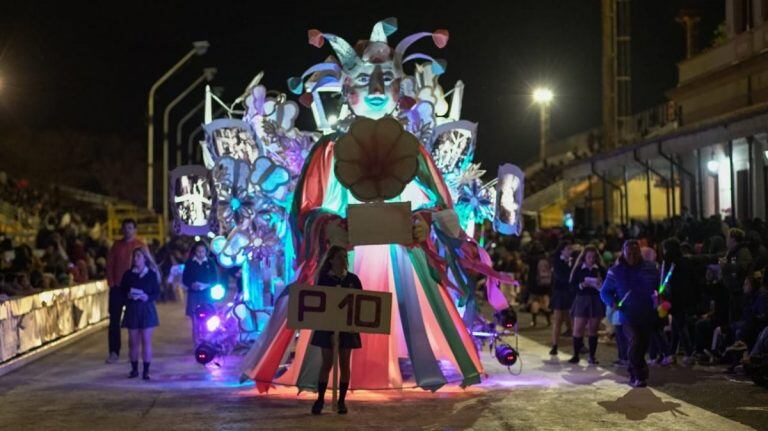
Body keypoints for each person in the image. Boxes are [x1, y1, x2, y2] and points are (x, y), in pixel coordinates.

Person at [600, 240, 659, 388]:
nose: (632, 256)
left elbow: (660, 286)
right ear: (623, 253)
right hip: (627, 315)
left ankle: (636, 369)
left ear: (640, 253)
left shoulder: (650, 268)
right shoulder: (615, 271)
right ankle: (638, 374)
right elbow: (604, 291)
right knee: (635, 341)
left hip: (647, 314)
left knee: (643, 344)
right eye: (629, 253)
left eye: (635, 253)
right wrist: (612, 302)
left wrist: (661, 296)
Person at [311, 246, 362, 416]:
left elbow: (361, 303)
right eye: (340, 257)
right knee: (327, 363)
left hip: (347, 327)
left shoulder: (353, 279)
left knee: (345, 363)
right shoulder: (324, 279)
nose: (343, 260)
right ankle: (320, 399)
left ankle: (341, 400)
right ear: (331, 259)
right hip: (327, 326)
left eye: (345, 257)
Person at [105, 219, 146, 364]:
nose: (127, 230)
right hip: (117, 288)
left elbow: (146, 266)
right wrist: (111, 282)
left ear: (135, 230)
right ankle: (114, 352)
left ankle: (133, 352)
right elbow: (110, 265)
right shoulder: (116, 245)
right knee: (114, 322)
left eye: (130, 228)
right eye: (125, 228)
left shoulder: (140, 245)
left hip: (134, 289)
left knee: (134, 322)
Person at [120, 247, 160, 380]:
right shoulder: (128, 275)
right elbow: (122, 292)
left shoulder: (151, 275)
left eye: (138, 256)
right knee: (133, 341)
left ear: (145, 258)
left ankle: (146, 370)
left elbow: (157, 293)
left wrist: (147, 297)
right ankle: (134, 369)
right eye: (134, 256)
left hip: (146, 309)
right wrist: (129, 296)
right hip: (132, 309)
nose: (136, 259)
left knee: (146, 340)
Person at [569, 245, 607, 364]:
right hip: (581, 299)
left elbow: (607, 285)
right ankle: (576, 355)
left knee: (593, 329)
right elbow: (572, 286)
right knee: (578, 328)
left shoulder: (600, 269)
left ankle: (592, 356)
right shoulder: (580, 268)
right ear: (584, 257)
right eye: (589, 257)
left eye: (593, 257)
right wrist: (581, 285)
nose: (591, 259)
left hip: (596, 299)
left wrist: (600, 285)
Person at [182, 241, 219, 344]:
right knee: (195, 321)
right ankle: (197, 343)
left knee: (208, 319)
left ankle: (208, 342)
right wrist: (192, 284)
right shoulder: (190, 263)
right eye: (198, 251)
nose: (200, 254)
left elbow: (215, 279)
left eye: (202, 251)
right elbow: (185, 279)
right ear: (194, 252)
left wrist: (206, 285)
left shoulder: (210, 262)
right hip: (194, 295)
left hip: (207, 295)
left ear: (206, 252)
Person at [549, 241, 574, 355]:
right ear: (562, 250)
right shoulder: (557, 261)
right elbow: (561, 277)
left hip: (570, 292)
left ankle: (578, 343)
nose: (570, 251)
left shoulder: (573, 261)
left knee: (571, 318)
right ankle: (554, 345)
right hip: (560, 292)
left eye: (571, 249)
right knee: (558, 319)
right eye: (568, 249)